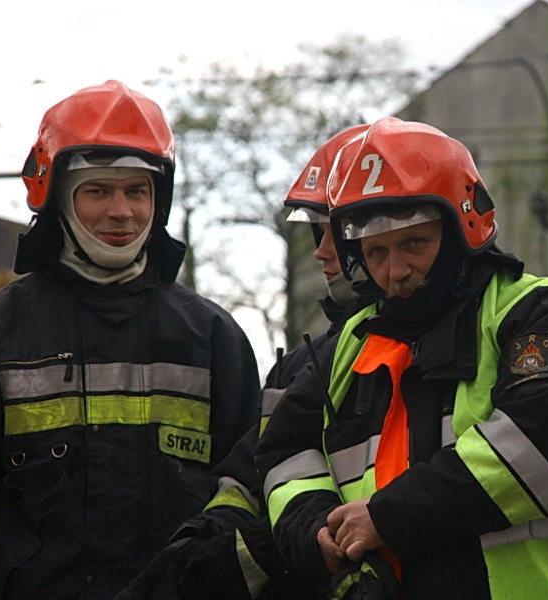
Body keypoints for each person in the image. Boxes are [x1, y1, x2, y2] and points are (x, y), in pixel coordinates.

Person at [256, 116, 548, 599]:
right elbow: (284, 455)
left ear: (463, 223)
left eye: (414, 244)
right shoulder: (350, 344)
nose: (395, 271)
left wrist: (386, 517)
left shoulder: (536, 313)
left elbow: (547, 442)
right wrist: (315, 531)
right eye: (375, 252)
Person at [0, 80, 262, 599]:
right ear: (55, 196)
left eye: (137, 190)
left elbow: (248, 494)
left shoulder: (214, 337)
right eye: (98, 190)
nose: (122, 212)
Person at [116, 123, 372, 600]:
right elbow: (245, 486)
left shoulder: (458, 344)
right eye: (316, 232)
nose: (319, 251)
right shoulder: (303, 368)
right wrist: (198, 552)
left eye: (332, 232)